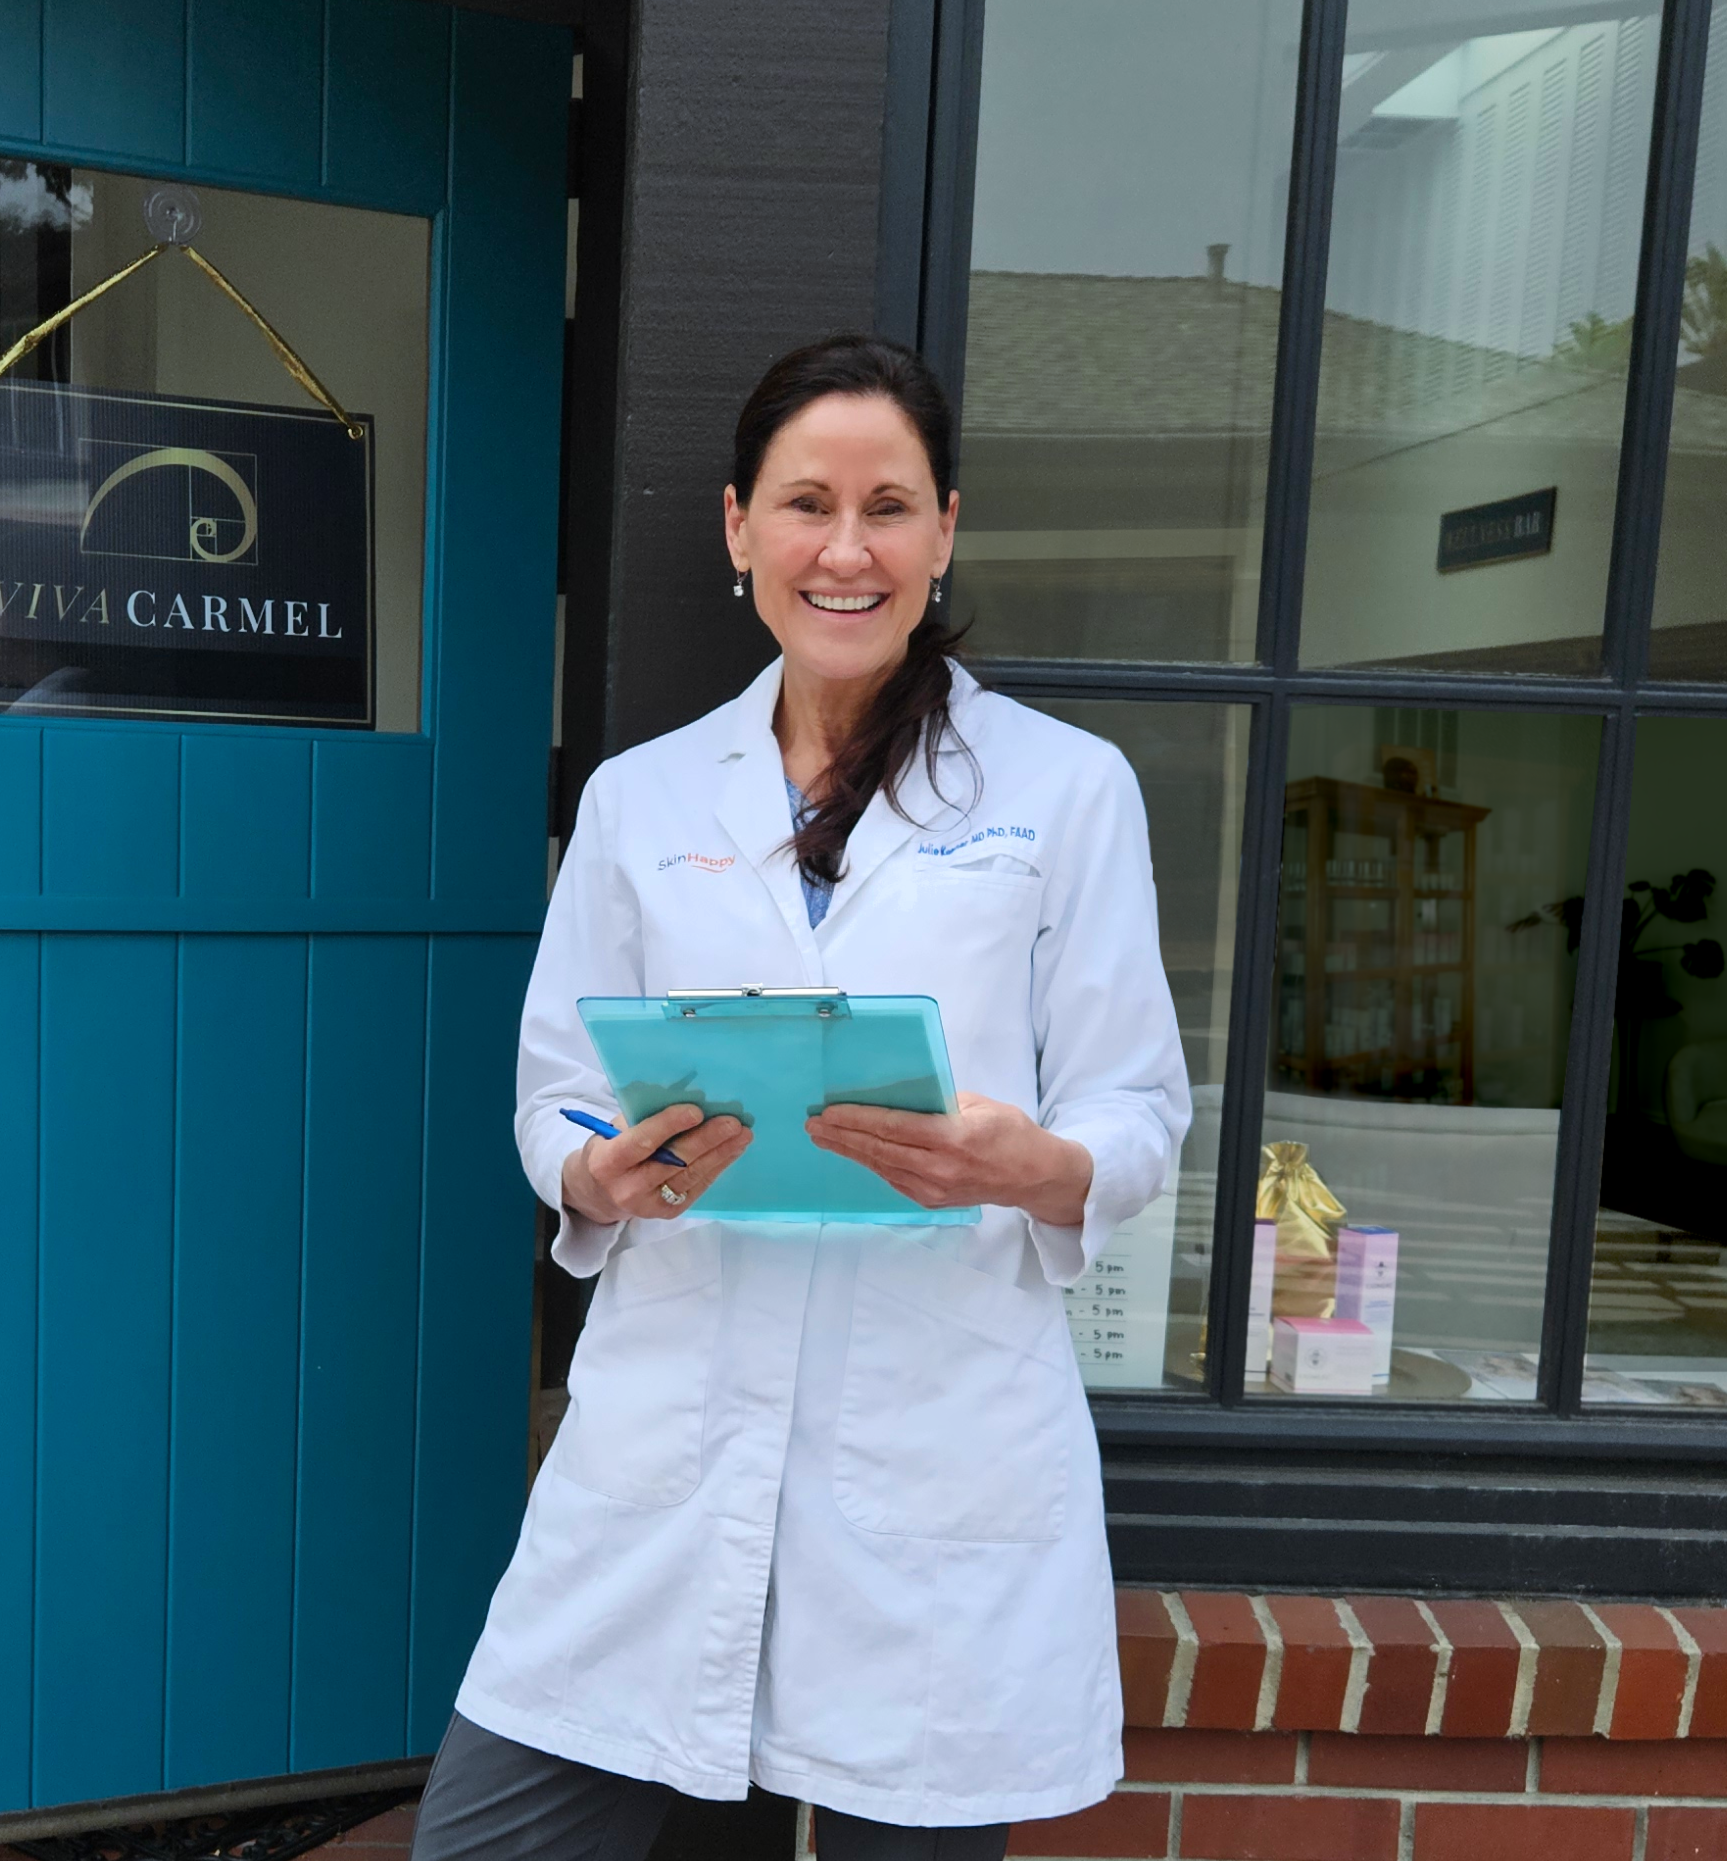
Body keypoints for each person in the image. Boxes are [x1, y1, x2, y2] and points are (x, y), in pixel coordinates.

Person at [409, 335, 1190, 1861]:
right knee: (490, 1838)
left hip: (931, 1435)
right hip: (667, 1435)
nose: (846, 549)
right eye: (805, 504)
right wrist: (595, 1174)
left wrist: (1027, 1164)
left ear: (945, 528)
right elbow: (558, 1085)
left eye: (888, 506)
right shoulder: (640, 796)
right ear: (736, 528)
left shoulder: (1064, 788)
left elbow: (1138, 1108)